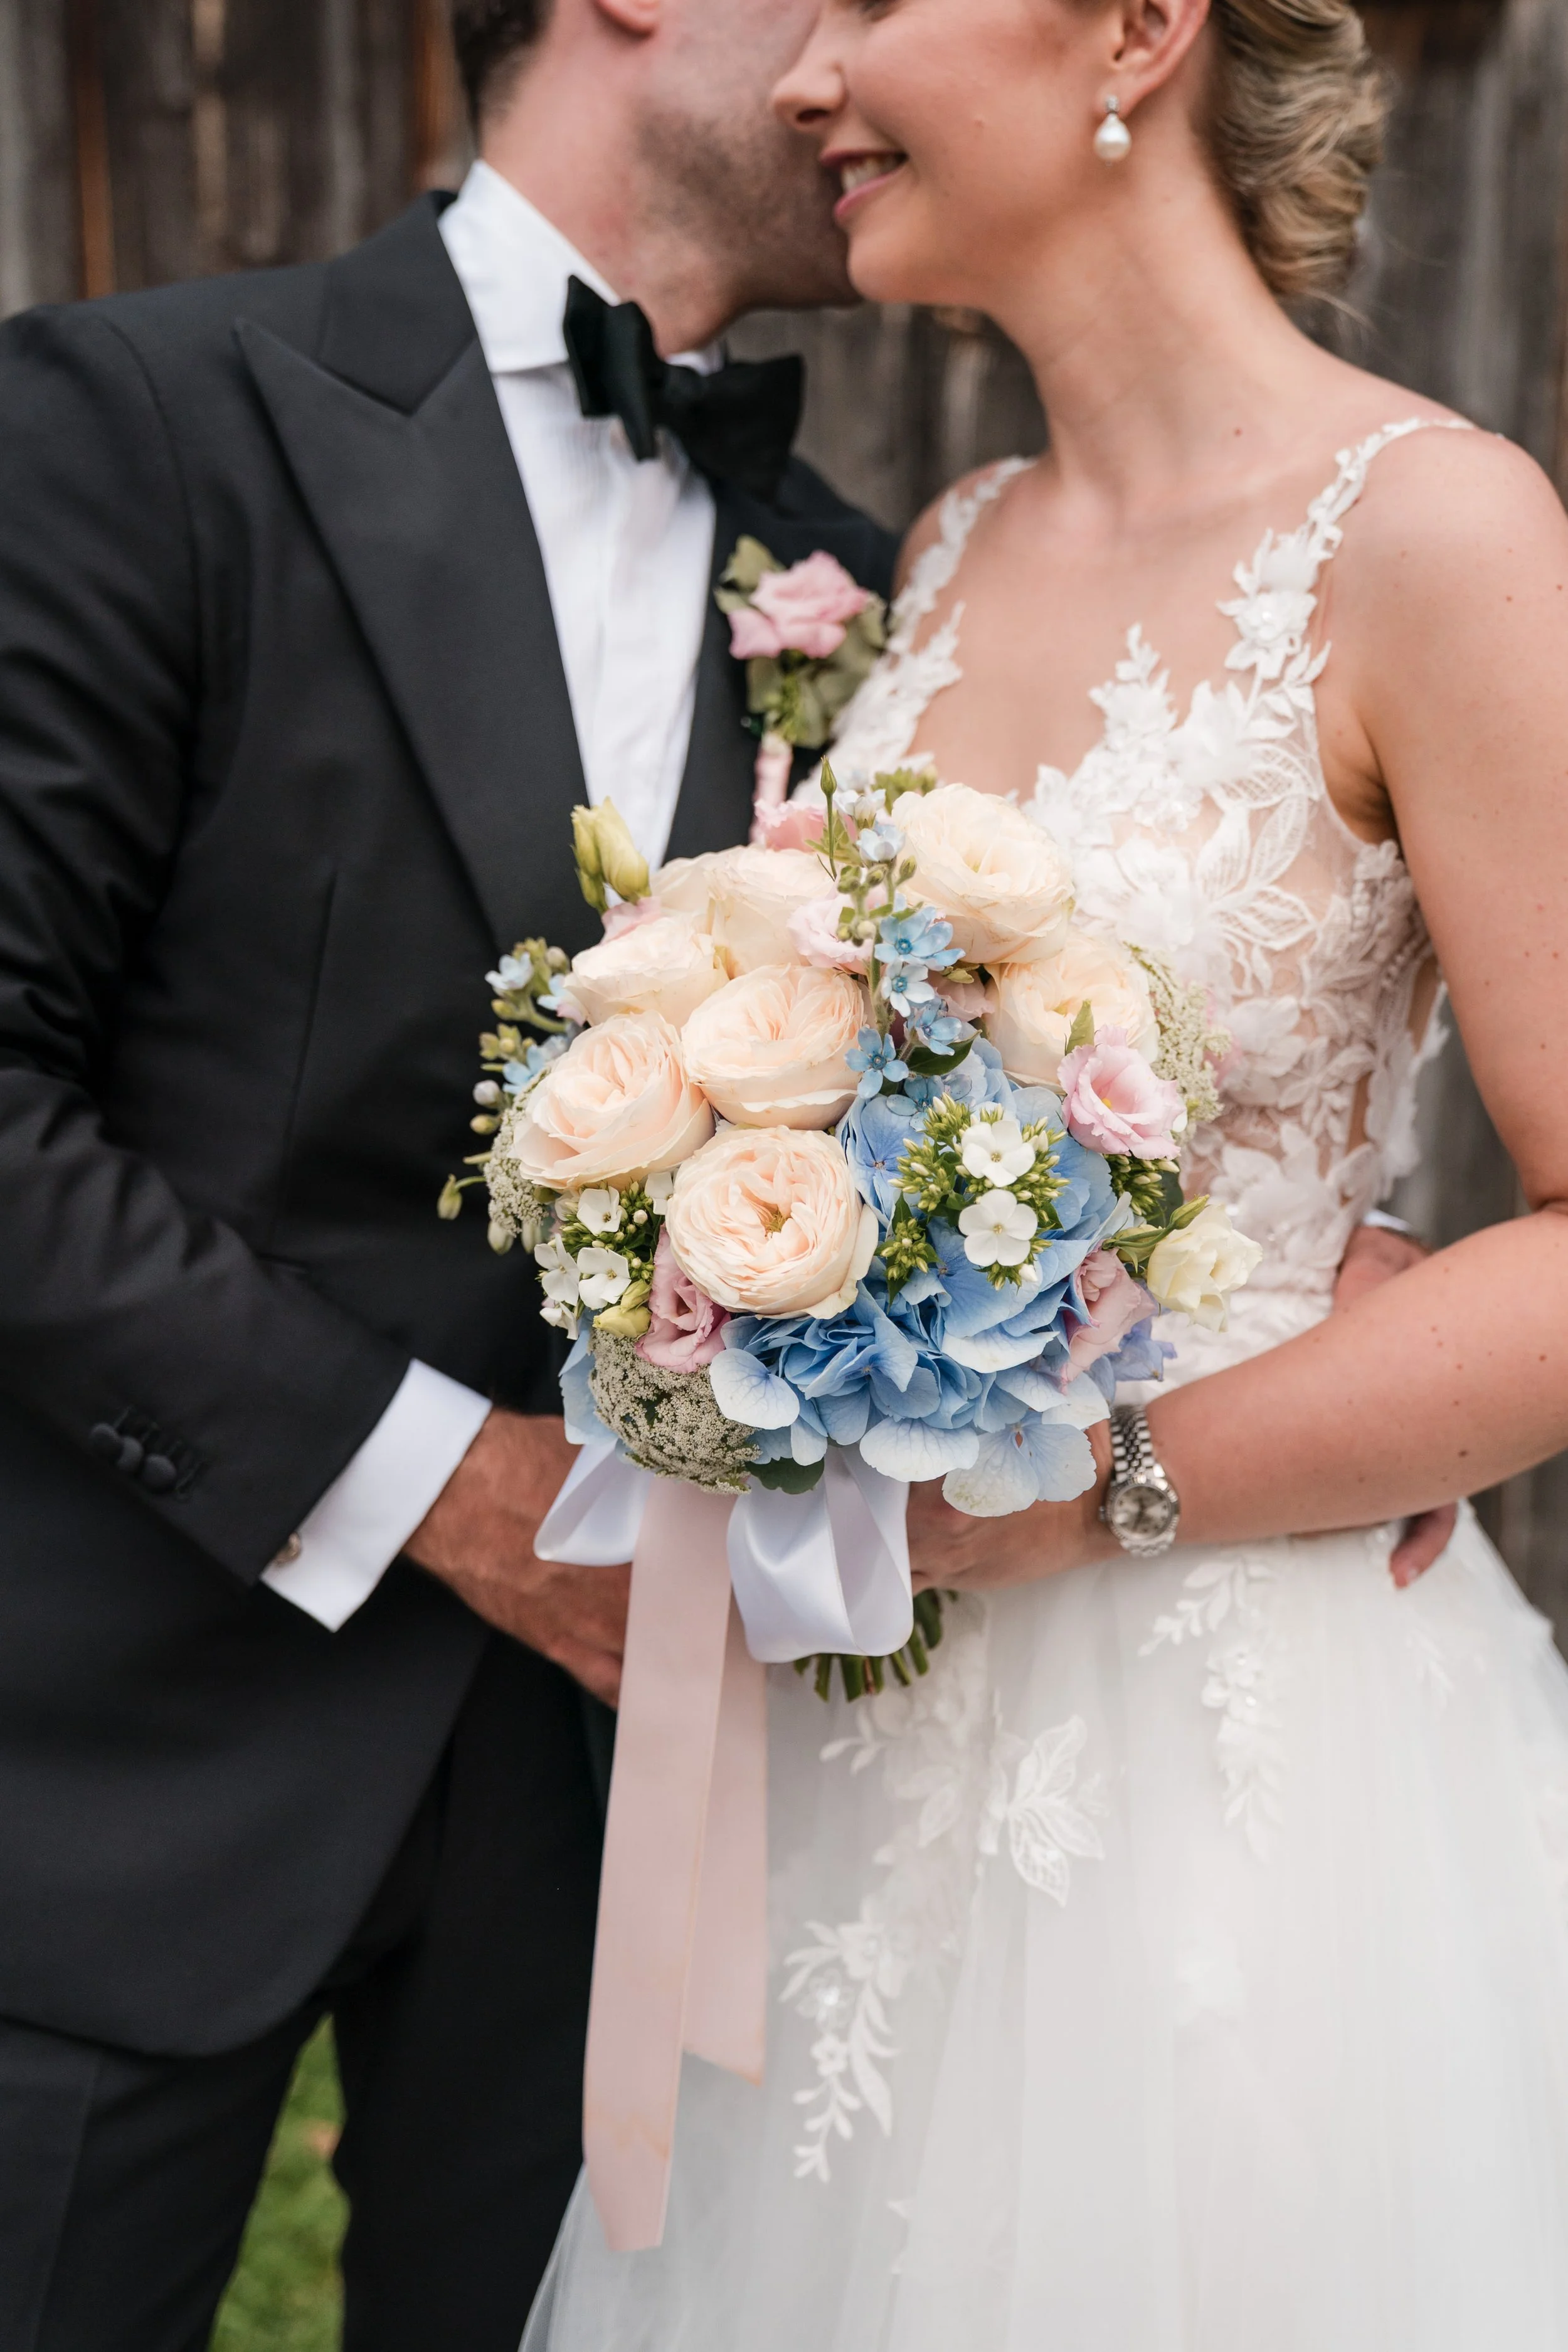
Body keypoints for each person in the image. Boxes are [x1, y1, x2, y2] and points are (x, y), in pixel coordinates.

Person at [522, 0, 1568, 2344]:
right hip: (869, 1750)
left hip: (1243, 1771)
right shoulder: (953, 539)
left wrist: (1101, 1481)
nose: (806, 78)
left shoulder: (1436, 534)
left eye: (869, 4)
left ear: (1135, 26)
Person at [0, 1, 898, 2345]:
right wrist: (453, 1492)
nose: (886, 55)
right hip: (107, 1751)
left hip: (619, 1817)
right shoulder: (137, 418)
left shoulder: (852, 581)